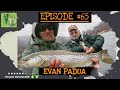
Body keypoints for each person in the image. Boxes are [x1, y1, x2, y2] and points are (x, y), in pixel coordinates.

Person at [21, 23, 99, 79]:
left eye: (50, 27)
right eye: (42, 28)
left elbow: (74, 72)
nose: (47, 31)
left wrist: (90, 67)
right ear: (37, 33)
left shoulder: (62, 47)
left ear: (54, 30)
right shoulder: (29, 52)